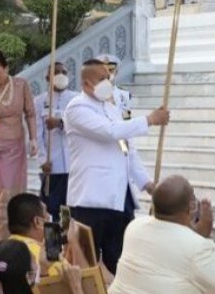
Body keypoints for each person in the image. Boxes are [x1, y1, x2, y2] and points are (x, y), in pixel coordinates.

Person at [64, 59, 169, 275]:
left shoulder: (111, 109)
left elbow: (127, 149)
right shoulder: (77, 108)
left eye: (108, 77)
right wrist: (149, 120)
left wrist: (146, 182)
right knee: (85, 262)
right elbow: (110, 132)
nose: (108, 82)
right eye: (101, 79)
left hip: (119, 197)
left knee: (123, 261)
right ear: (86, 84)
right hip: (91, 198)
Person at [0, 49, 37, 241]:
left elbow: (30, 113)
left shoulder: (21, 85)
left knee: (18, 193)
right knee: (3, 195)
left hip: (18, 147)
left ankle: (18, 236)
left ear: (6, 68)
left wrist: (33, 139)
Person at [34, 62, 77, 220]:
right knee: (50, 208)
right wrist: (42, 159)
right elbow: (37, 134)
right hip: (52, 165)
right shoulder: (39, 102)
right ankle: (52, 242)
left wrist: (61, 123)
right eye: (56, 72)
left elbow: (80, 127)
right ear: (47, 78)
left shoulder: (76, 99)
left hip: (73, 164)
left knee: (71, 209)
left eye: (64, 72)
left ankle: (69, 242)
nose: (61, 75)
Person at [100, 54, 133, 120]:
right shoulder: (91, 93)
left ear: (116, 72)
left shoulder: (125, 95)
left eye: (110, 70)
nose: (107, 74)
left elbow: (126, 119)